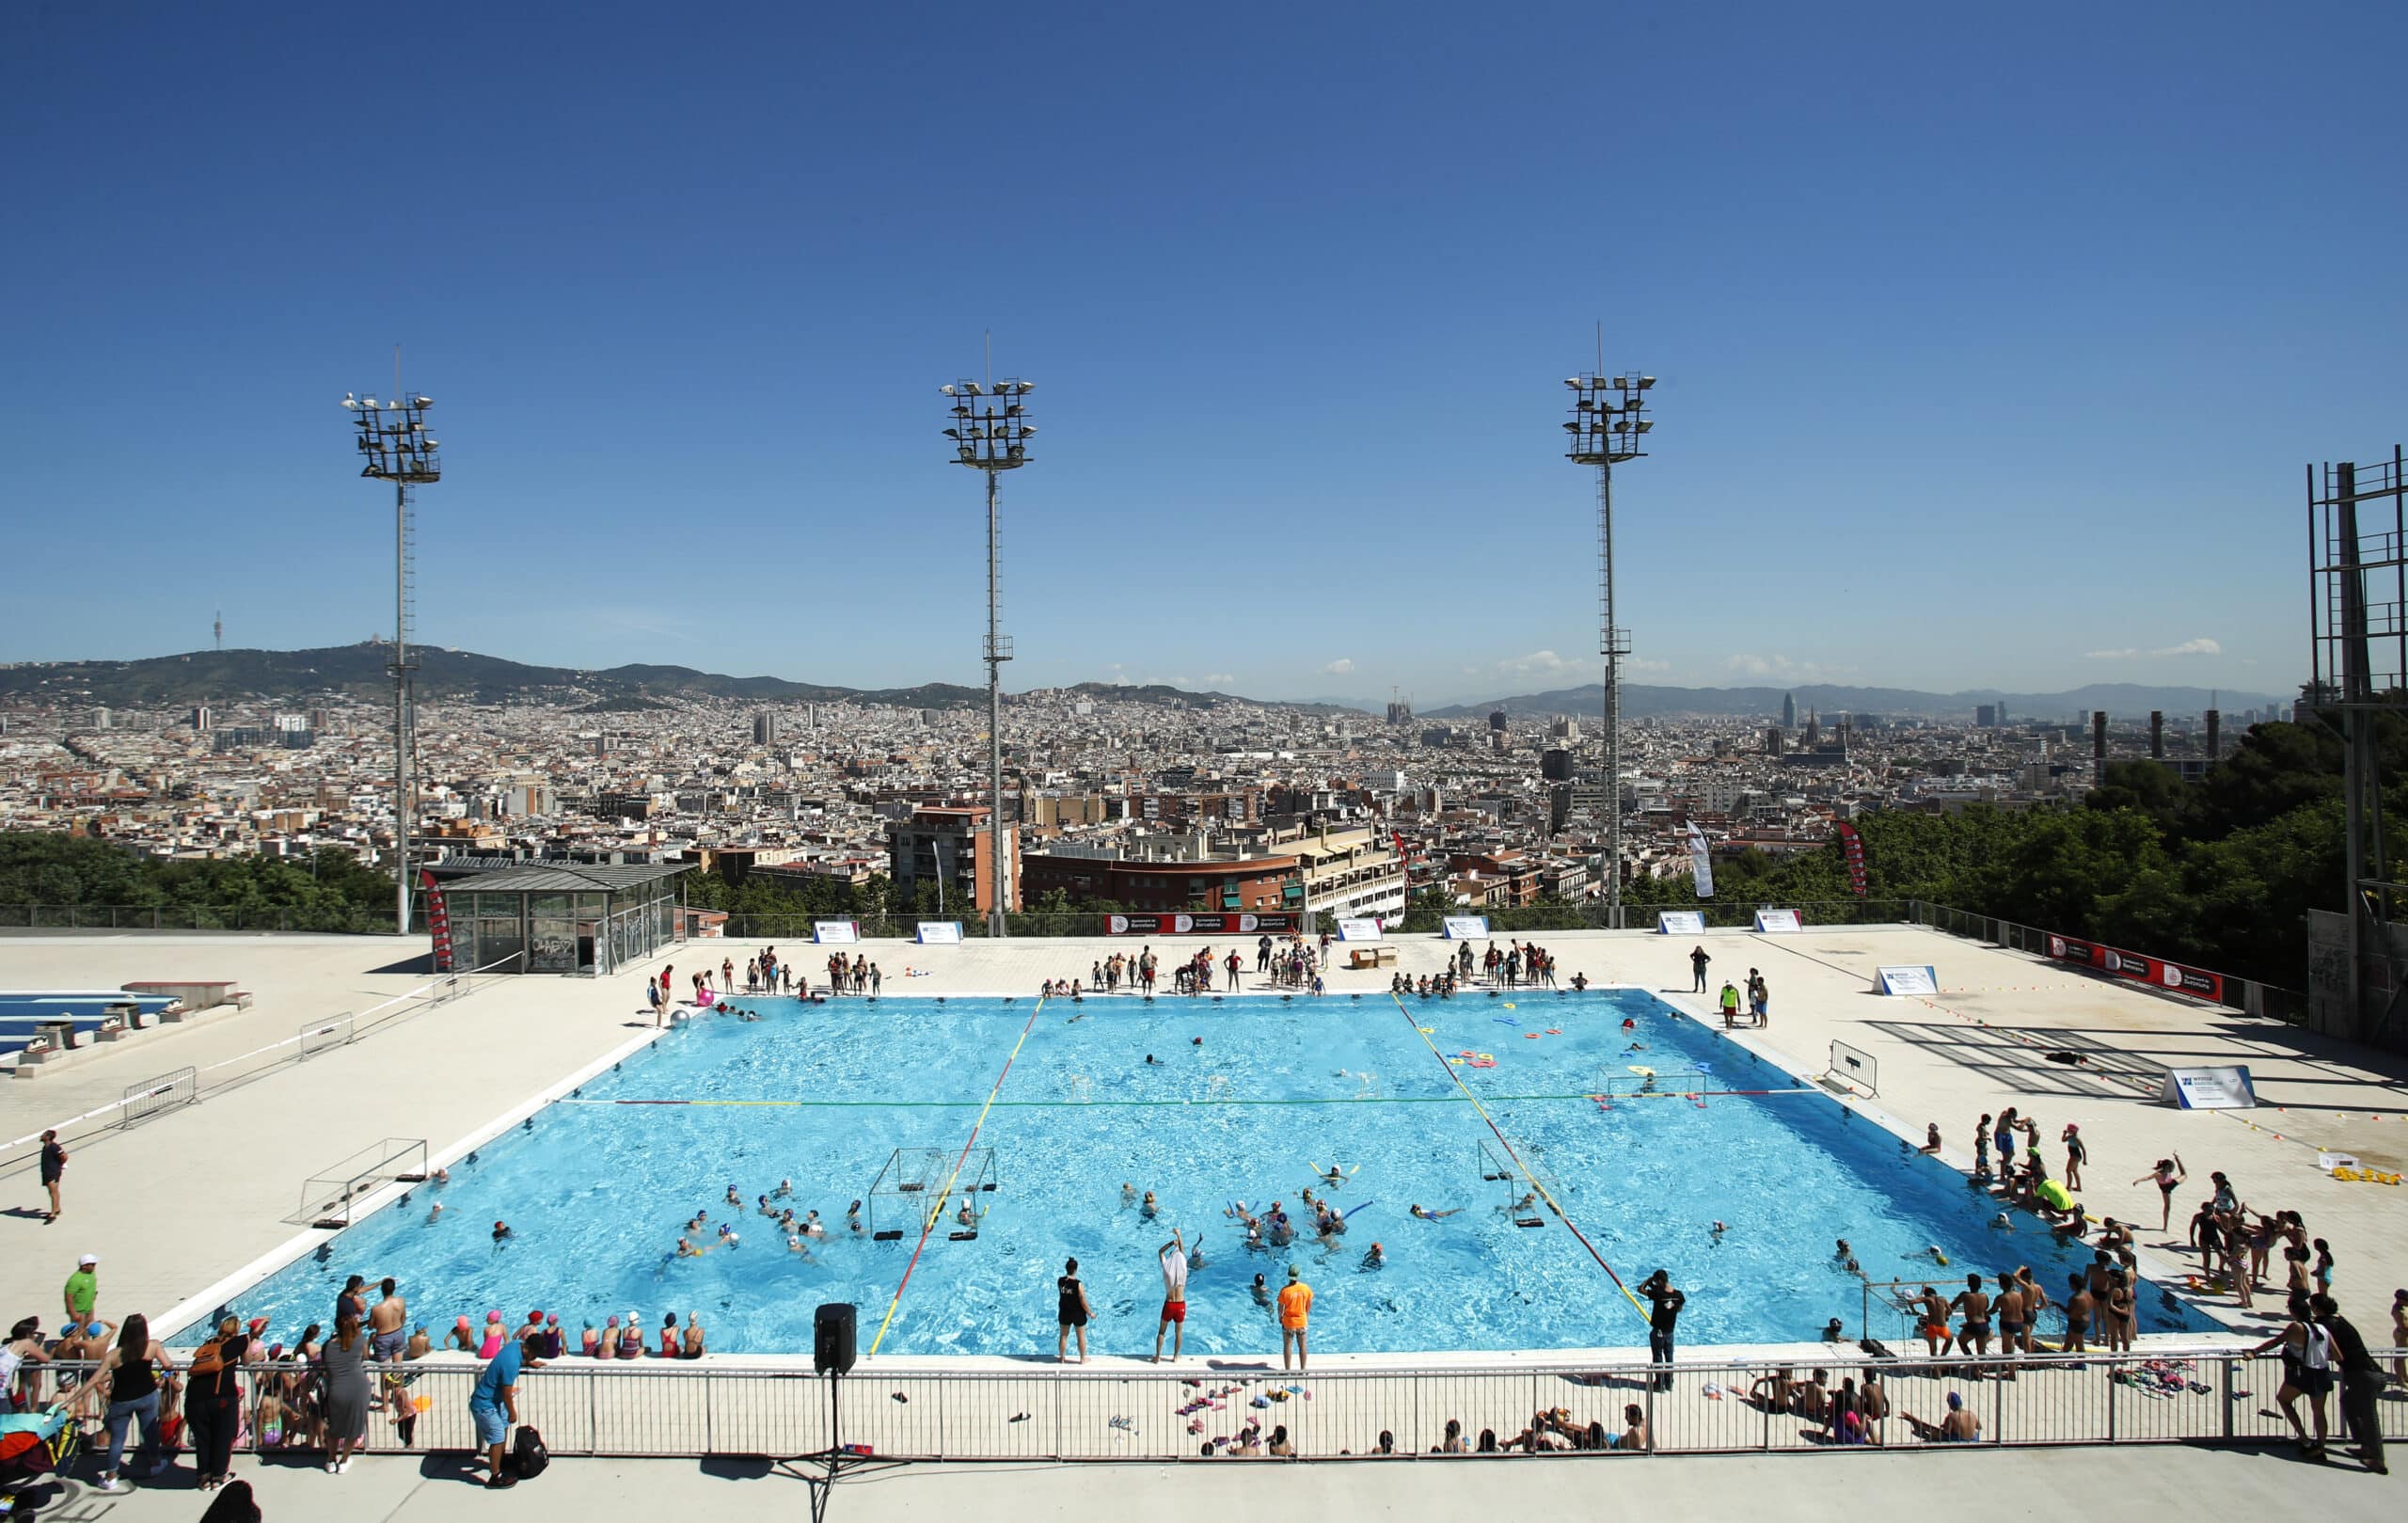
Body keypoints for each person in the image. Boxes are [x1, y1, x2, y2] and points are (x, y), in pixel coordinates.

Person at [82, 1311, 169, 1492]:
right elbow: (167, 1364)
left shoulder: (114, 1355)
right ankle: (155, 1463)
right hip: (147, 1395)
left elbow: (95, 1379)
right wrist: (162, 1374)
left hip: (121, 1400)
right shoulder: (152, 1346)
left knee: (117, 1439)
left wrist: (73, 1399)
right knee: (150, 1431)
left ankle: (111, 1476)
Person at [2307, 1293, 2385, 1473]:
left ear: (2317, 1308)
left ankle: (2378, 1459)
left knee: (2369, 1417)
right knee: (2348, 1403)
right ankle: (2364, 1445)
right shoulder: (2339, 1320)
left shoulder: (2325, 1324)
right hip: (2371, 1373)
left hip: (2364, 1376)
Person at [182, 1313, 246, 1492]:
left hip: (194, 1399)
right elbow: (248, 1360)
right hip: (222, 1397)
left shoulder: (208, 1344)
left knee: (203, 1440)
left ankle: (203, 1478)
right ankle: (218, 1477)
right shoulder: (240, 1342)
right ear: (236, 1330)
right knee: (223, 1438)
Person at [468, 1326, 536, 1489]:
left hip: (495, 1401)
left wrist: (530, 1362)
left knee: (504, 1427)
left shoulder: (516, 1344)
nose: (535, 1357)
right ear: (527, 1349)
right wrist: (513, 1413)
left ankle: (501, 1459)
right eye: (534, 1353)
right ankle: (495, 1477)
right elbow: (507, 1393)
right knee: (497, 1438)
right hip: (485, 1404)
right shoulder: (512, 1364)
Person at [321, 1311, 372, 1473]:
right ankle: (343, 1462)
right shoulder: (359, 1341)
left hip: (337, 1389)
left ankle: (330, 1460)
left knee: (334, 1428)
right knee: (354, 1428)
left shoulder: (328, 1346)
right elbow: (365, 1357)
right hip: (359, 1388)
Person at [1640, 1269, 1684, 1391]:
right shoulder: (1678, 1295)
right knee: (1669, 1357)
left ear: (1659, 1281)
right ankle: (1669, 1382)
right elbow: (1679, 1309)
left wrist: (1648, 1281)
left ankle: (1659, 1384)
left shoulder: (1658, 1294)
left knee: (1658, 1357)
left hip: (1658, 1331)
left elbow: (1640, 1290)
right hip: (1670, 1331)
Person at [1154, 1230, 1188, 1363]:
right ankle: (1175, 1356)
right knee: (1178, 1332)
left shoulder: (1166, 1267)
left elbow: (1160, 1252)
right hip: (1180, 1304)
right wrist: (1179, 1236)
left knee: (1162, 1332)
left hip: (1169, 1304)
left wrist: (1170, 1243)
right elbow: (1182, 1251)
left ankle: (1157, 1357)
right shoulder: (1183, 1267)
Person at [1278, 1264, 1313, 1371]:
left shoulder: (1285, 1291)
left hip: (1288, 1322)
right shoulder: (1305, 1288)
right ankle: (1303, 1369)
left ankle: (1288, 1370)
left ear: (1288, 1275)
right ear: (1299, 1275)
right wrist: (1305, 1314)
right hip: (1301, 1321)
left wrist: (1280, 1317)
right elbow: (1309, 1304)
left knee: (1288, 1346)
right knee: (1302, 1345)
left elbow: (1280, 1307)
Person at [1057, 1257, 1092, 1364]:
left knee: (1063, 1336)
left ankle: (1062, 1358)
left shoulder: (1060, 1281)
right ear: (1076, 1269)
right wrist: (1090, 1312)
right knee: (1081, 1337)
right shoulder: (1078, 1284)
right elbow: (1082, 1299)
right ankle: (1082, 1359)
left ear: (1066, 1268)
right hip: (1077, 1313)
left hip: (1064, 1312)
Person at [369, 1277, 407, 1363]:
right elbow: (403, 1318)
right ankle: (398, 1376)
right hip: (398, 1333)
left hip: (383, 1338)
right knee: (398, 1366)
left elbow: (370, 1327)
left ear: (382, 1290)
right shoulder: (401, 1301)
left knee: (384, 1369)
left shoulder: (376, 1309)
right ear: (394, 1288)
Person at [38, 1128, 66, 1223]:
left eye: (43, 1135)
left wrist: (60, 1165)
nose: (41, 1136)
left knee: (53, 1192)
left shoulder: (54, 1147)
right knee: (53, 1192)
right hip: (48, 1172)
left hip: (52, 1172)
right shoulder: (46, 1147)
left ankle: (53, 1214)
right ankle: (57, 1209)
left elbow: (64, 1156)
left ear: (48, 1137)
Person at [63, 1252, 99, 1327]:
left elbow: (92, 1284)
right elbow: (68, 1298)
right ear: (84, 1266)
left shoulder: (91, 1274)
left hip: (89, 1309)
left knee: (89, 1332)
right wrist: (74, 1314)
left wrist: (94, 1294)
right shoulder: (75, 1280)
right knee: (77, 1333)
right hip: (79, 1311)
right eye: (92, 1264)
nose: (94, 1266)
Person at [2061, 1124, 2087, 1191]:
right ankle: (2078, 1187)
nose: (2068, 1131)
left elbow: (2083, 1149)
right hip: (2074, 1156)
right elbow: (2063, 1140)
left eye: (2069, 1130)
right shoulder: (2070, 1137)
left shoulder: (2077, 1139)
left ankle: (2068, 1187)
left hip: (2075, 1156)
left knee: (2068, 1170)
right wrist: (2064, 1134)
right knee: (2074, 1171)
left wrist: (2085, 1160)